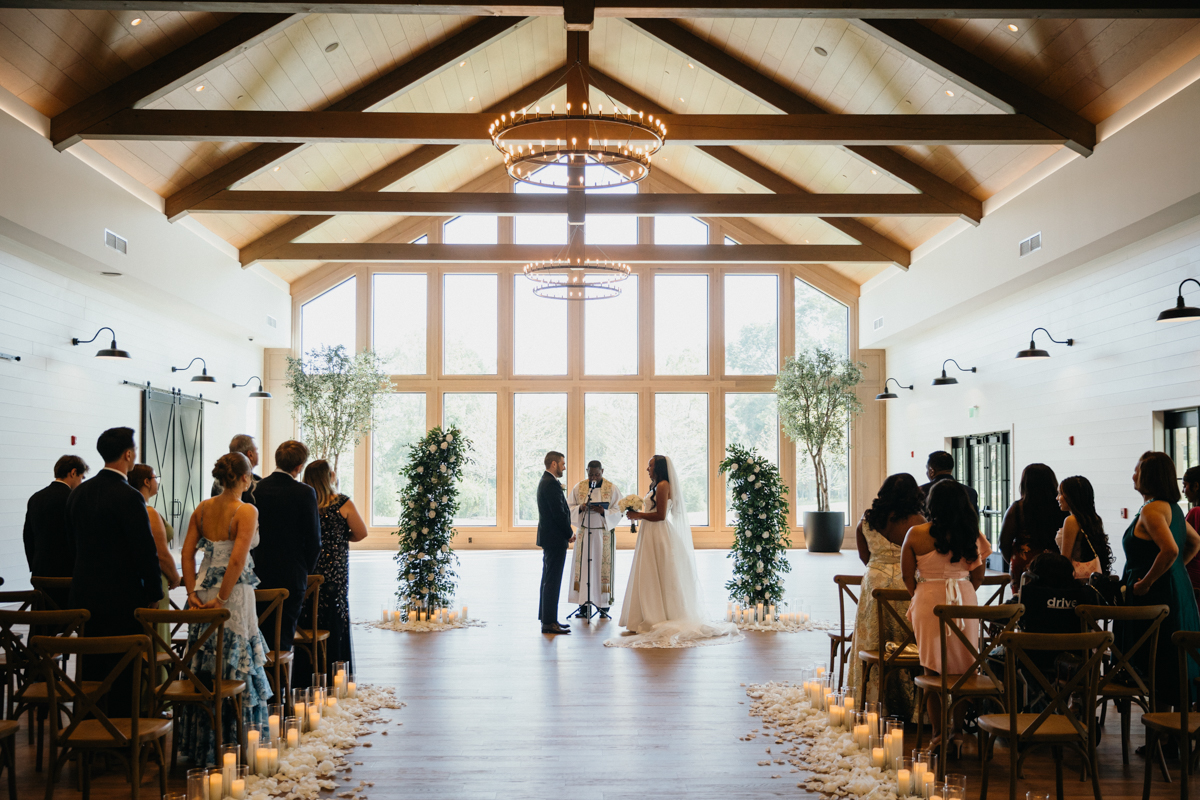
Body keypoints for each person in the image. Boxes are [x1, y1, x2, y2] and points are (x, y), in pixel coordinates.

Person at [178, 452, 272, 765]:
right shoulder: (246, 510)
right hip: (233, 591)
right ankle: (236, 745)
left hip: (203, 587)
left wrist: (192, 591)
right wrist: (223, 597)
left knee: (205, 655)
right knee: (237, 659)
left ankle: (204, 746)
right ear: (246, 478)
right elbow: (237, 559)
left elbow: (187, 553)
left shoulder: (203, 508)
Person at [65, 427, 162, 714]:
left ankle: (89, 734)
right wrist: (154, 593)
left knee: (91, 667)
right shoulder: (129, 496)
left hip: (84, 594)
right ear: (128, 454)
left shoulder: (78, 493)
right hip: (122, 598)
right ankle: (120, 740)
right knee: (122, 670)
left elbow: (73, 545)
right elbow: (145, 551)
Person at [608, 455, 739, 648]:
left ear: (658, 467)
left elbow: (660, 515)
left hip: (658, 534)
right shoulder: (654, 485)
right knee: (647, 574)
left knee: (660, 573)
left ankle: (661, 615)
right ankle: (643, 615)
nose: (647, 469)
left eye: (650, 465)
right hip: (648, 533)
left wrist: (638, 515)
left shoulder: (662, 485)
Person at [902, 480, 991, 747]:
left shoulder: (916, 534)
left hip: (928, 601)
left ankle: (939, 734)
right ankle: (958, 733)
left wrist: (923, 594)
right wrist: (961, 589)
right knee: (966, 671)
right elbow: (978, 575)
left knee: (932, 671)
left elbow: (907, 577)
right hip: (964, 599)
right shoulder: (971, 533)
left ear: (932, 504)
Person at [1118, 451, 1200, 714]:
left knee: (1159, 661)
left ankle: (1162, 734)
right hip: (1176, 590)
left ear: (1149, 476)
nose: (1133, 474)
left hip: (1155, 595)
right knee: (1171, 661)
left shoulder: (1152, 509)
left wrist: (1147, 582)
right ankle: (1168, 735)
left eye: (1137, 470)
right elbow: (1194, 543)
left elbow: (1171, 550)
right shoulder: (1173, 508)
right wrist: (1175, 572)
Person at [848, 474, 925, 720]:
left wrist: (880, 567)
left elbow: (864, 556)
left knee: (874, 639)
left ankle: (871, 701)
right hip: (907, 583)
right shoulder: (918, 521)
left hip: (875, 583)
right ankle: (908, 704)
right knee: (907, 641)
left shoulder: (868, 520)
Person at [252, 440, 321, 682]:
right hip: (292, 575)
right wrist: (305, 570)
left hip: (258, 573)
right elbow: (314, 541)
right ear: (299, 466)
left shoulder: (257, 489)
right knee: (283, 637)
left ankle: (263, 691)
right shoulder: (304, 492)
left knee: (260, 635)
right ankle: (281, 696)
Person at [300, 459, 368, 673]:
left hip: (309, 566)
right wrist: (339, 537)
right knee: (335, 612)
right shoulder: (342, 502)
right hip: (335, 568)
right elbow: (361, 533)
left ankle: (308, 669)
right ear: (328, 477)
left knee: (308, 613)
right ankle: (336, 667)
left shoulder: (304, 502)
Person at [1016, 552, 1102, 674]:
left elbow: (1002, 615)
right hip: (1074, 663)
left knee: (996, 657)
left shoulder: (1030, 595)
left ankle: (1033, 692)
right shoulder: (1084, 595)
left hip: (1033, 661)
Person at [23, 454, 88, 608]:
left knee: (43, 619)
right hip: (68, 572)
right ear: (73, 473)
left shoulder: (35, 498)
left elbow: (28, 536)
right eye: (81, 477)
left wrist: (35, 564)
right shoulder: (74, 499)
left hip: (41, 570)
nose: (81, 482)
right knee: (70, 620)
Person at [129, 464, 182, 649]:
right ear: (146, 481)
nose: (157, 482)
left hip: (142, 578)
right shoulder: (148, 511)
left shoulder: (133, 508)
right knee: (156, 638)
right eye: (155, 478)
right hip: (156, 579)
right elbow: (160, 554)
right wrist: (175, 577)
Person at [566, 460, 621, 619]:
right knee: (584, 570)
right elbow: (568, 508)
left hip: (602, 535)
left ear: (602, 471)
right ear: (587, 471)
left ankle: (604, 606)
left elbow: (619, 510)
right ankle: (583, 605)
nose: (594, 477)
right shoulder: (580, 487)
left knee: (600, 569)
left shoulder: (611, 488)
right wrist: (580, 508)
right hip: (584, 535)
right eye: (591, 474)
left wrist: (603, 511)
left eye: (597, 474)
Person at [1000, 464, 1066, 591]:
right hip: (1056, 563)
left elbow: (1003, 542)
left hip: (1024, 563)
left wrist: (1015, 559)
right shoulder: (1061, 507)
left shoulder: (1017, 509)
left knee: (1023, 603)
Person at [536, 451, 574, 635]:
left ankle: (548, 619)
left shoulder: (547, 481)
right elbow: (558, 513)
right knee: (552, 580)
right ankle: (549, 622)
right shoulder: (550, 484)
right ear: (553, 464)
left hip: (551, 538)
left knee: (548, 579)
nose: (564, 467)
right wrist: (569, 533)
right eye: (562, 464)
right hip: (555, 538)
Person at [1055, 475, 1114, 581]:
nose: (1057, 498)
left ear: (1072, 495)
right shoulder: (1093, 518)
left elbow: (1065, 559)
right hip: (1091, 578)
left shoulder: (1071, 520)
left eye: (1061, 493)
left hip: (1075, 579)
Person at [211, 434, 261, 503]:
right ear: (250, 454)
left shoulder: (220, 479)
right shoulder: (259, 483)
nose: (258, 453)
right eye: (256, 450)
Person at [1182, 466, 1200, 588]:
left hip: (1194, 578)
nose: (1183, 490)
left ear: (1196, 486)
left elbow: (1183, 544)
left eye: (1185, 485)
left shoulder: (1196, 513)